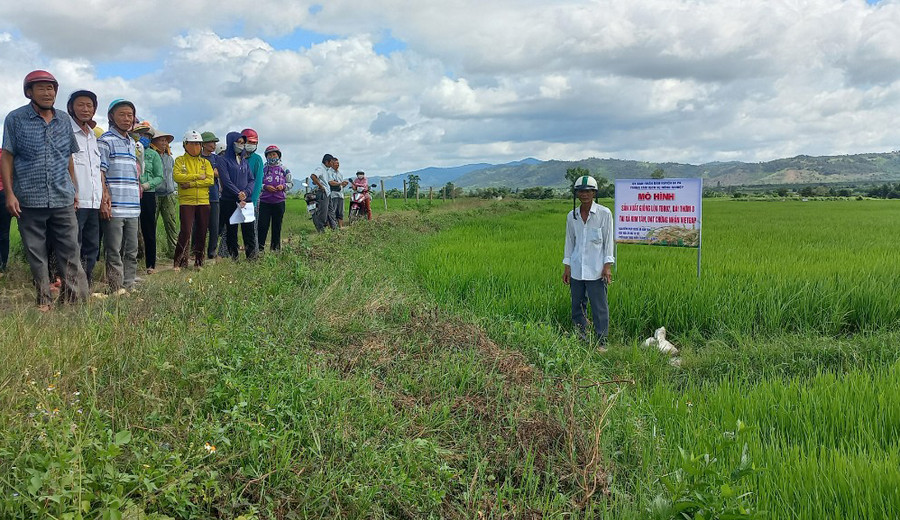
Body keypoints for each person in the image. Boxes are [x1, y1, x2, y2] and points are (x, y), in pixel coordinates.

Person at [1, 70, 89, 308]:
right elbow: (7, 156)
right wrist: (9, 193)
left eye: (51, 88)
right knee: (36, 253)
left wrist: (74, 190)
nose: (48, 93)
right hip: (29, 198)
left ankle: (74, 301)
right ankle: (44, 300)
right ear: (29, 92)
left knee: (71, 251)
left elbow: (68, 159)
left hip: (62, 196)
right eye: (41, 88)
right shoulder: (15, 119)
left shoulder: (63, 120)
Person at [562, 175, 614, 346]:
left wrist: (607, 266)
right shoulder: (572, 216)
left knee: (599, 307)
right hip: (577, 268)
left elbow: (608, 241)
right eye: (580, 191)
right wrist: (567, 266)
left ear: (594, 193)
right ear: (576, 194)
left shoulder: (604, 214)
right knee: (577, 305)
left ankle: (601, 341)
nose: (584, 194)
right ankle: (581, 336)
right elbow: (570, 241)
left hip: (596, 269)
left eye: (588, 191)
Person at [98, 98, 141, 295]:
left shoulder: (132, 143)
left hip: (132, 207)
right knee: (114, 250)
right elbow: (101, 173)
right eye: (122, 114)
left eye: (130, 115)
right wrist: (105, 200)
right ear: (111, 117)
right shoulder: (105, 141)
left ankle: (129, 285)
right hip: (115, 206)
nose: (126, 119)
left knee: (132, 250)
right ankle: (116, 287)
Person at [67, 89, 106, 286]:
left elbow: (97, 169)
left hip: (93, 200)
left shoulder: (92, 135)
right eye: (80, 104)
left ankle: (86, 284)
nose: (85, 109)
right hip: (75, 201)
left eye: (89, 105)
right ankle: (70, 286)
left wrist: (103, 197)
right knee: (73, 245)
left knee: (92, 247)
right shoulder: (66, 131)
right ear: (71, 108)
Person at [173, 131, 214, 269]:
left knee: (202, 231)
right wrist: (198, 176)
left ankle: (199, 261)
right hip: (186, 201)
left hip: (203, 201)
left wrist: (191, 183)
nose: (196, 146)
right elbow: (177, 177)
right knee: (185, 231)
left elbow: (210, 180)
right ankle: (179, 262)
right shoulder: (180, 160)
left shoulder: (205, 162)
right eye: (192, 143)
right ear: (185, 144)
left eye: (198, 143)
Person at [217, 131, 257, 260]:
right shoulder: (223, 160)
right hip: (229, 200)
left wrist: (246, 193)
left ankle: (251, 257)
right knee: (231, 231)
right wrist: (237, 193)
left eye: (242, 143)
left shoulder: (244, 161)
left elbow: (251, 179)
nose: (241, 145)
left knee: (249, 230)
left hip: (246, 201)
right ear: (231, 143)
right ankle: (234, 258)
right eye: (238, 142)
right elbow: (226, 180)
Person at [133, 122, 164, 274]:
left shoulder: (154, 154)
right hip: (130, 194)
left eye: (148, 135)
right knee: (128, 229)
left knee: (148, 229)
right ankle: (129, 264)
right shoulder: (130, 150)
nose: (144, 138)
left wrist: (147, 185)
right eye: (141, 134)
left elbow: (159, 176)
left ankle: (150, 264)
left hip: (147, 195)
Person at [258, 145, 291, 251]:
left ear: (278, 156)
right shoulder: (262, 169)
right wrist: (265, 187)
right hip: (264, 202)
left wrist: (283, 186)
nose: (272, 157)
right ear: (266, 156)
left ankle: (275, 249)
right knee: (262, 226)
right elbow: (257, 183)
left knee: (277, 226)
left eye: (274, 154)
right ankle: (260, 248)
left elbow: (290, 183)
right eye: (269, 155)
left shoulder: (284, 169)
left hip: (279, 201)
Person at [153, 130, 178, 257]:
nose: (164, 143)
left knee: (171, 223)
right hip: (155, 194)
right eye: (161, 140)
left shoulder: (169, 158)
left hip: (169, 194)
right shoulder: (151, 156)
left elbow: (172, 175)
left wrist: (174, 188)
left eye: (165, 141)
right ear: (154, 142)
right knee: (152, 224)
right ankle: (152, 253)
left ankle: (174, 252)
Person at [199, 131, 221, 259]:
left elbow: (220, 173)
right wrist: (212, 173)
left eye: (214, 142)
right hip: (200, 196)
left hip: (214, 195)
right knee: (199, 225)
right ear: (204, 144)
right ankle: (197, 250)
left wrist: (208, 174)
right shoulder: (198, 158)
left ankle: (212, 251)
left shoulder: (216, 158)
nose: (214, 145)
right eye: (212, 142)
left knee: (214, 226)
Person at [242, 128, 264, 244]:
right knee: (229, 228)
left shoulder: (257, 160)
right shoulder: (235, 157)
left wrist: (253, 201)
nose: (251, 145)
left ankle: (252, 256)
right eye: (249, 142)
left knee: (251, 230)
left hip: (251, 200)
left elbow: (258, 182)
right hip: (235, 198)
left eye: (254, 143)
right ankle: (224, 255)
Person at [309, 154, 333, 232]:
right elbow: (313, 176)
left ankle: (334, 229)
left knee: (330, 212)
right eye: (331, 162)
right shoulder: (320, 168)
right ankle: (320, 230)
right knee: (323, 213)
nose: (332, 164)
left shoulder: (326, 170)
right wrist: (320, 186)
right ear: (326, 162)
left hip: (327, 193)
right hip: (322, 193)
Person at [327, 156, 348, 229]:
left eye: (338, 163)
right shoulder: (329, 172)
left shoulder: (340, 174)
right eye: (336, 163)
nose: (337, 165)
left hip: (340, 194)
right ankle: (331, 227)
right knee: (333, 211)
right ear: (332, 164)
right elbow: (330, 182)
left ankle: (340, 226)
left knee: (340, 212)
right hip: (333, 194)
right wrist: (340, 183)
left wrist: (343, 184)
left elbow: (341, 184)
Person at [0, 151, 10, 273]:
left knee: (3, 232)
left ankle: (2, 266)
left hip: (4, 194)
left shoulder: (6, 154)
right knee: (3, 233)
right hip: (5, 194)